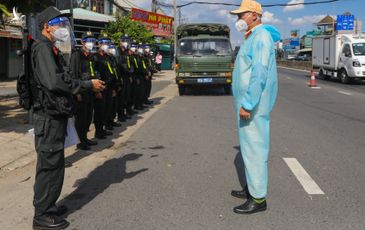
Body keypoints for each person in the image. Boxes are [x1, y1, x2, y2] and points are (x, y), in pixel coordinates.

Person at [31, 6, 105, 230]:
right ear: (46, 27)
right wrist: (86, 85)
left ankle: (49, 206)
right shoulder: (42, 48)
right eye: (58, 25)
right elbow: (54, 82)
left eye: (65, 26)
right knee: (49, 165)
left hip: (55, 115)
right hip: (48, 117)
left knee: (55, 165)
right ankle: (42, 215)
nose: (63, 29)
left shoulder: (49, 48)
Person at [229, 0, 280, 214]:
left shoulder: (260, 37)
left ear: (253, 15)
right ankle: (252, 188)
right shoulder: (252, 36)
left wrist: (248, 103)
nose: (238, 20)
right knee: (249, 148)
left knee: (255, 149)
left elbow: (259, 74)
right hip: (249, 104)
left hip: (253, 105)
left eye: (241, 15)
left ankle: (258, 199)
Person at [70, 31, 99, 150]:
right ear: (82, 42)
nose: (91, 43)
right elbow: (74, 74)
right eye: (88, 41)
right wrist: (76, 93)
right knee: (81, 119)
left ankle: (85, 138)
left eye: (92, 41)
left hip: (90, 90)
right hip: (81, 91)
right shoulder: (77, 55)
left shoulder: (91, 56)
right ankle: (80, 141)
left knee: (88, 117)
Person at [93, 34, 116, 138]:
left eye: (107, 43)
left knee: (107, 108)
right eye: (103, 42)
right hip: (100, 87)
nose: (105, 45)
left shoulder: (108, 57)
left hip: (109, 86)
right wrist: (97, 91)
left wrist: (113, 87)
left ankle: (104, 127)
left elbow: (112, 72)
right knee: (99, 110)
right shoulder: (95, 57)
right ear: (98, 44)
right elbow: (94, 73)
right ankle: (98, 131)